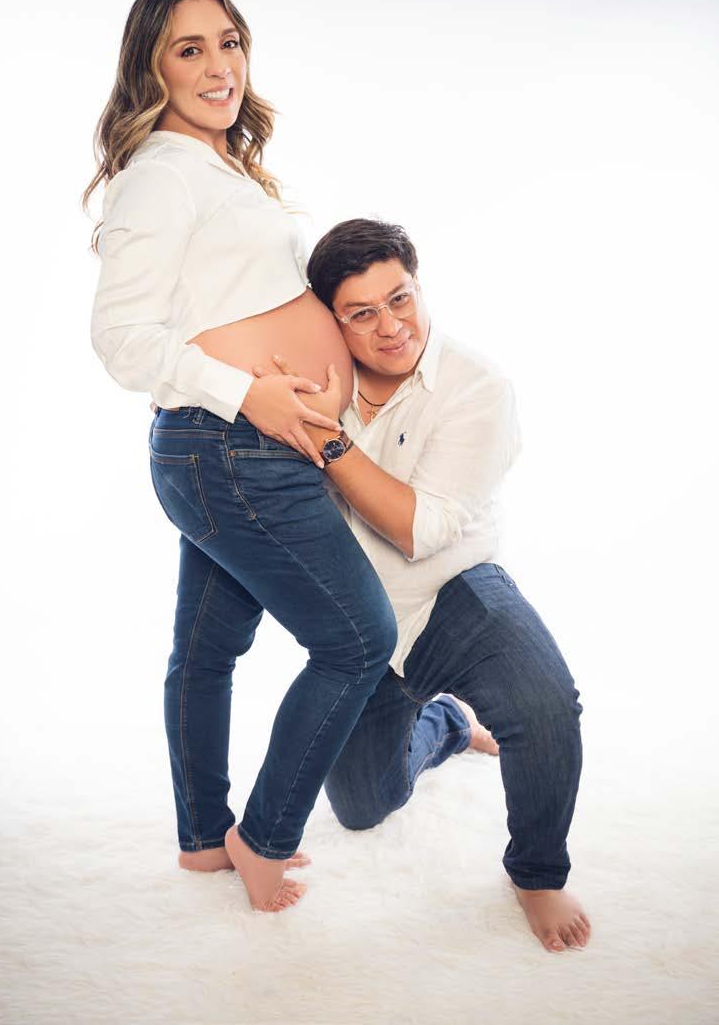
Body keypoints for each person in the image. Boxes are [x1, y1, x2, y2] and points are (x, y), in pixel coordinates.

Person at [84, 0, 398, 913]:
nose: (220, 65)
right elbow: (121, 340)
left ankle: (200, 840)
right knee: (359, 638)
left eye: (229, 41)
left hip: (229, 452)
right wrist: (249, 394)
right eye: (190, 49)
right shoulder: (161, 175)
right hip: (229, 447)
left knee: (208, 649)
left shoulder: (215, 167)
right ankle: (264, 838)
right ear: (151, 68)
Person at [253, 218, 591, 952]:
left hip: (453, 591)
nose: (390, 326)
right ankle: (445, 725)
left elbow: (421, 530)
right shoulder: (308, 376)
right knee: (362, 808)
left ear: (418, 284)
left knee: (545, 707)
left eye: (400, 298)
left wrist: (330, 438)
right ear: (331, 319)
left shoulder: (479, 386)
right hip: (358, 626)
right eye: (361, 313)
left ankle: (537, 874)